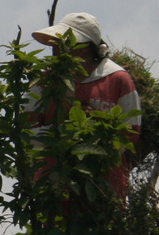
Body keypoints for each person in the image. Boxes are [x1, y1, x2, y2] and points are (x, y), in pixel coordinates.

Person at [30, 12, 141, 198]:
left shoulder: (118, 79)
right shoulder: (44, 81)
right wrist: (64, 131)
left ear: (84, 48)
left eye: (64, 43)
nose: (55, 49)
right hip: (53, 185)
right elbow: (26, 132)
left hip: (105, 185)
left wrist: (97, 125)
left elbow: (131, 133)